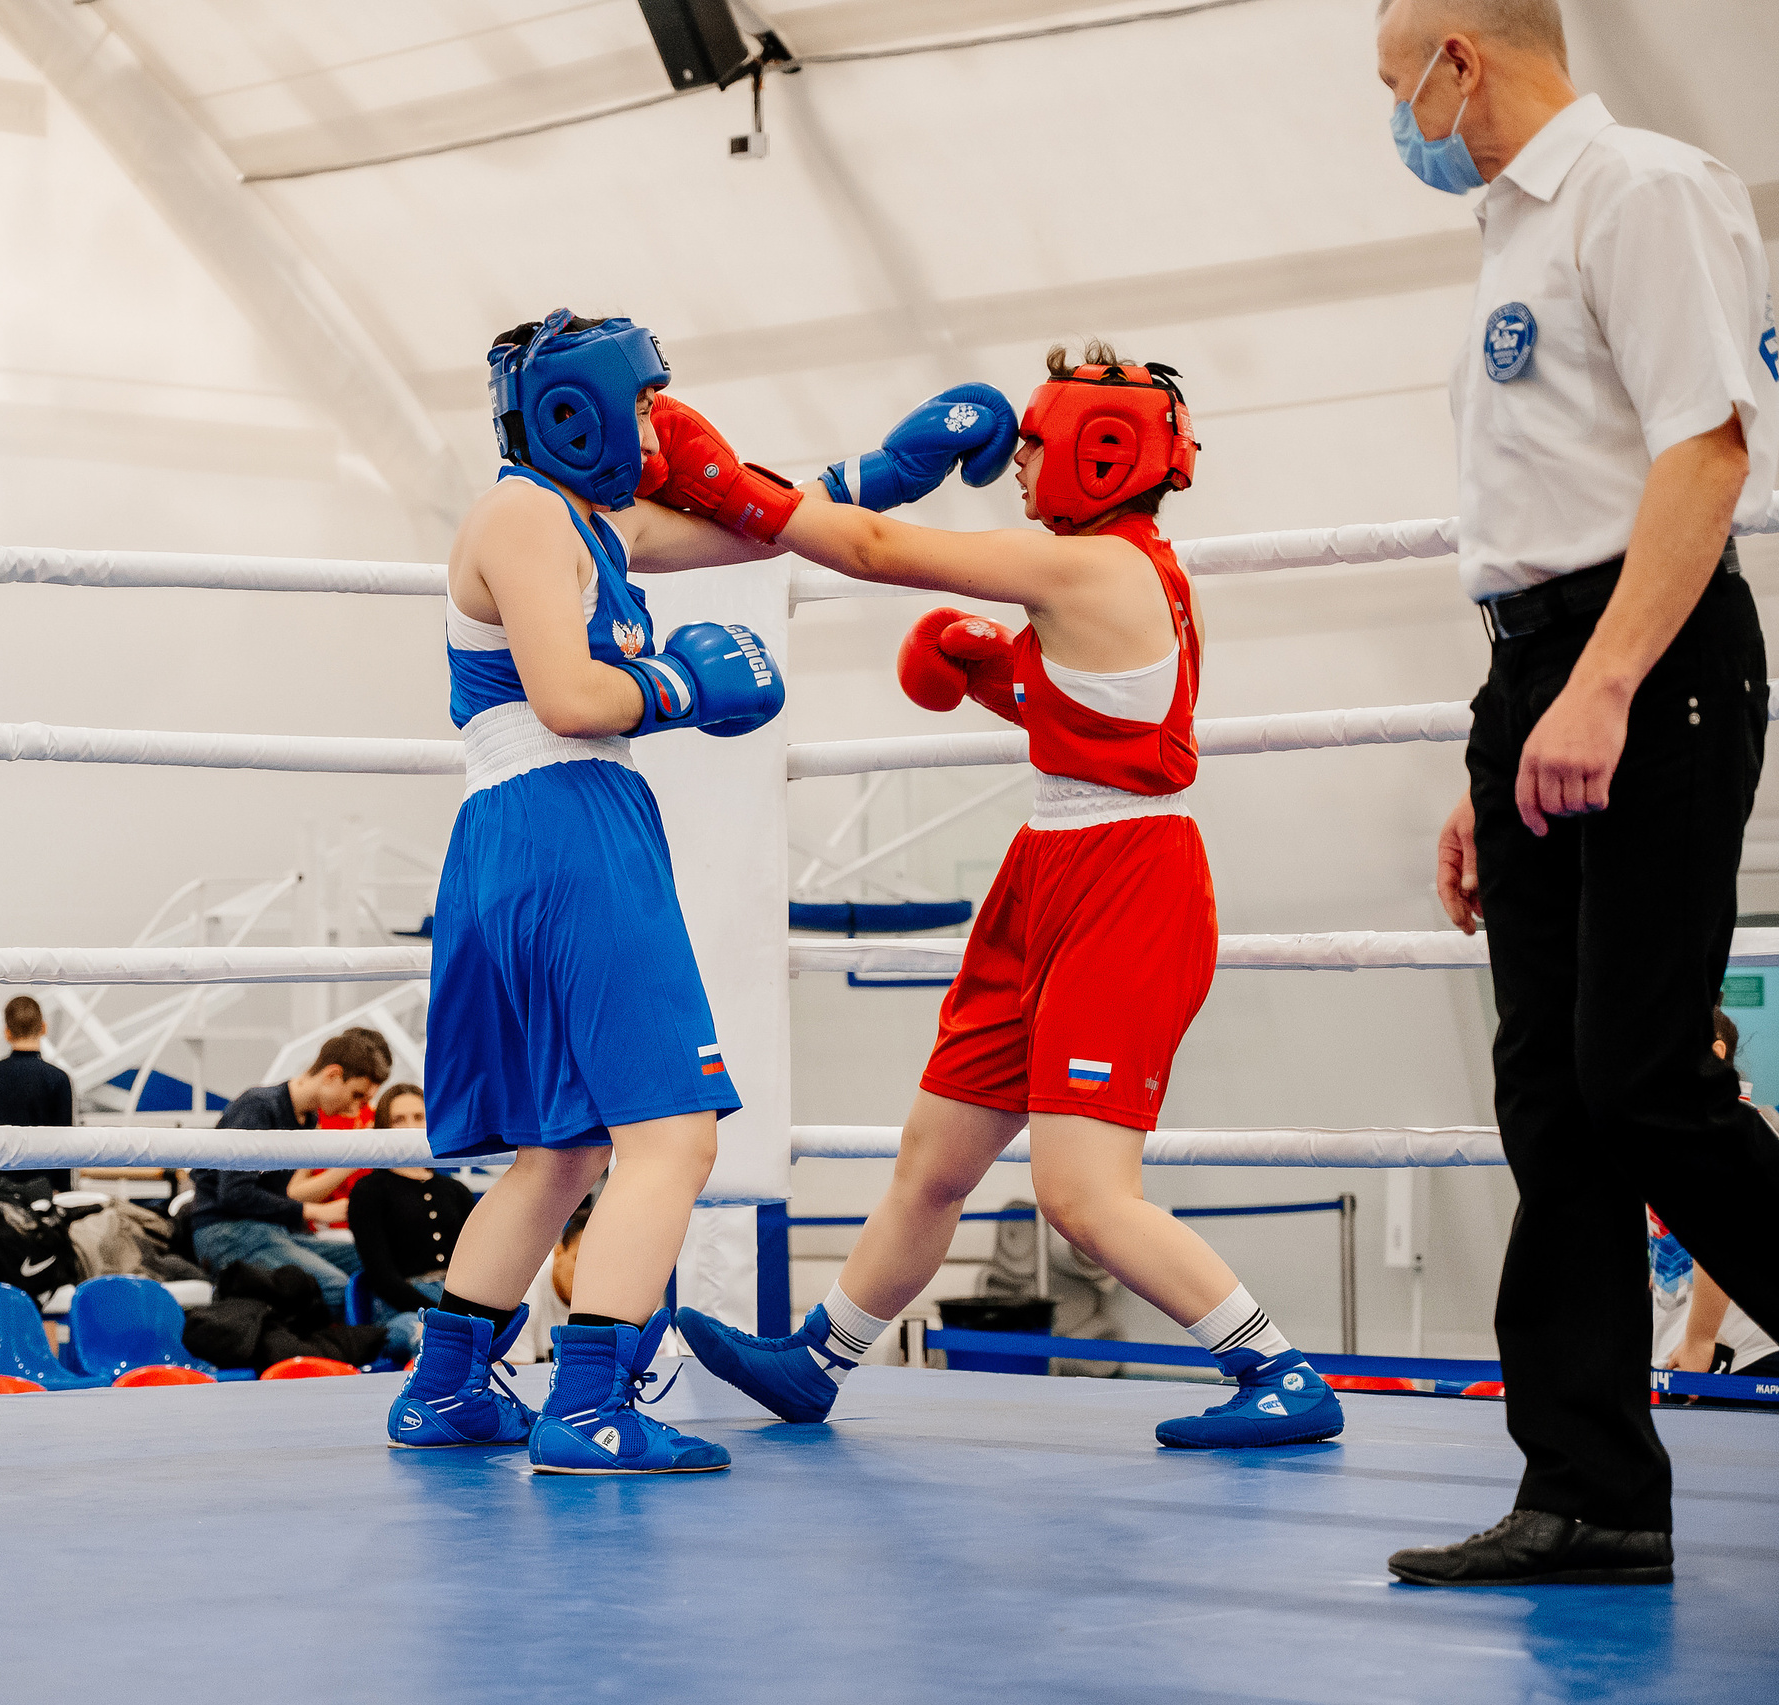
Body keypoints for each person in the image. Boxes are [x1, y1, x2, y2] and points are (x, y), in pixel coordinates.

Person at [661, 345, 1343, 1452]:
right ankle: (817, 1361)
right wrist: (997, 675)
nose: (1016, 460)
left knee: (1081, 1191)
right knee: (933, 1162)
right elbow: (1099, 736)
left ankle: (1275, 1368)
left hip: (1128, 884)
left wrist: (728, 481)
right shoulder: (1101, 579)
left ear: (1098, 449)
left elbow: (876, 546)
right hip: (1049, 868)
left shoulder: (1098, 567)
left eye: (1034, 440)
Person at [1372, 0, 1779, 1588]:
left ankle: (1598, 1476)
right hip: (1537, 665)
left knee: (1644, 1080)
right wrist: (1502, 741)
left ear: (1457, 60)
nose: (1392, 113)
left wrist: (1603, 686)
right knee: (1549, 1097)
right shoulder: (1505, 235)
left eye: (1393, 79)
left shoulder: (1649, 191)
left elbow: (1705, 455)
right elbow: (1539, 508)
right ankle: (1591, 1491)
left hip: (1650, 656)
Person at [385, 309, 790, 1476]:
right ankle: (593, 1401)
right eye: (645, 401)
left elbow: (752, 535)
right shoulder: (520, 515)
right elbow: (570, 696)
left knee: (560, 1148)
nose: (657, 422)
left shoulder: (583, 523)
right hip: (563, 814)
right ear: (579, 409)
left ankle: (452, 1385)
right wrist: (678, 683)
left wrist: (885, 477)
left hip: (534, 830)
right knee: (671, 1133)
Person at [190, 1029, 388, 1311]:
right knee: (334, 1287)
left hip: (268, 1231)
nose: (357, 1109)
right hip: (224, 1231)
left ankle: (398, 1334)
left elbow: (276, 1193)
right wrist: (312, 1211)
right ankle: (361, 1348)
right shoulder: (258, 1107)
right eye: (357, 1095)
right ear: (332, 1075)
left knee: (373, 1260)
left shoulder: (305, 1118)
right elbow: (234, 1193)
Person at [1650, 1018, 1779, 1379]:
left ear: (1714, 1053)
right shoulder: (1675, 1131)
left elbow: (1724, 1236)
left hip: (1740, 1351)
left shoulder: (1729, 1131)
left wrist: (1700, 1339)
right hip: (1684, 1342)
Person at [345, 1084, 474, 1357]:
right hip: (399, 1309)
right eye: (398, 1120)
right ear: (383, 1127)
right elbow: (382, 1277)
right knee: (430, 1337)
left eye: (418, 1117)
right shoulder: (368, 1191)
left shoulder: (456, 1190)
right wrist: (440, 1313)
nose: (410, 1126)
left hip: (457, 1297)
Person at [0, 994, 77, 1193]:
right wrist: (63, 1192)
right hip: (42, 1191)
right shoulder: (58, 1080)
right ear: (43, 1028)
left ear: (7, 1033)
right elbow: (65, 1145)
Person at [504, 1199, 590, 1367]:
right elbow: (515, 1381)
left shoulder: (619, 1295)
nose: (588, 1275)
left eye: (600, 1266)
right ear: (558, 1252)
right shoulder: (522, 1291)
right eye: (579, 1261)